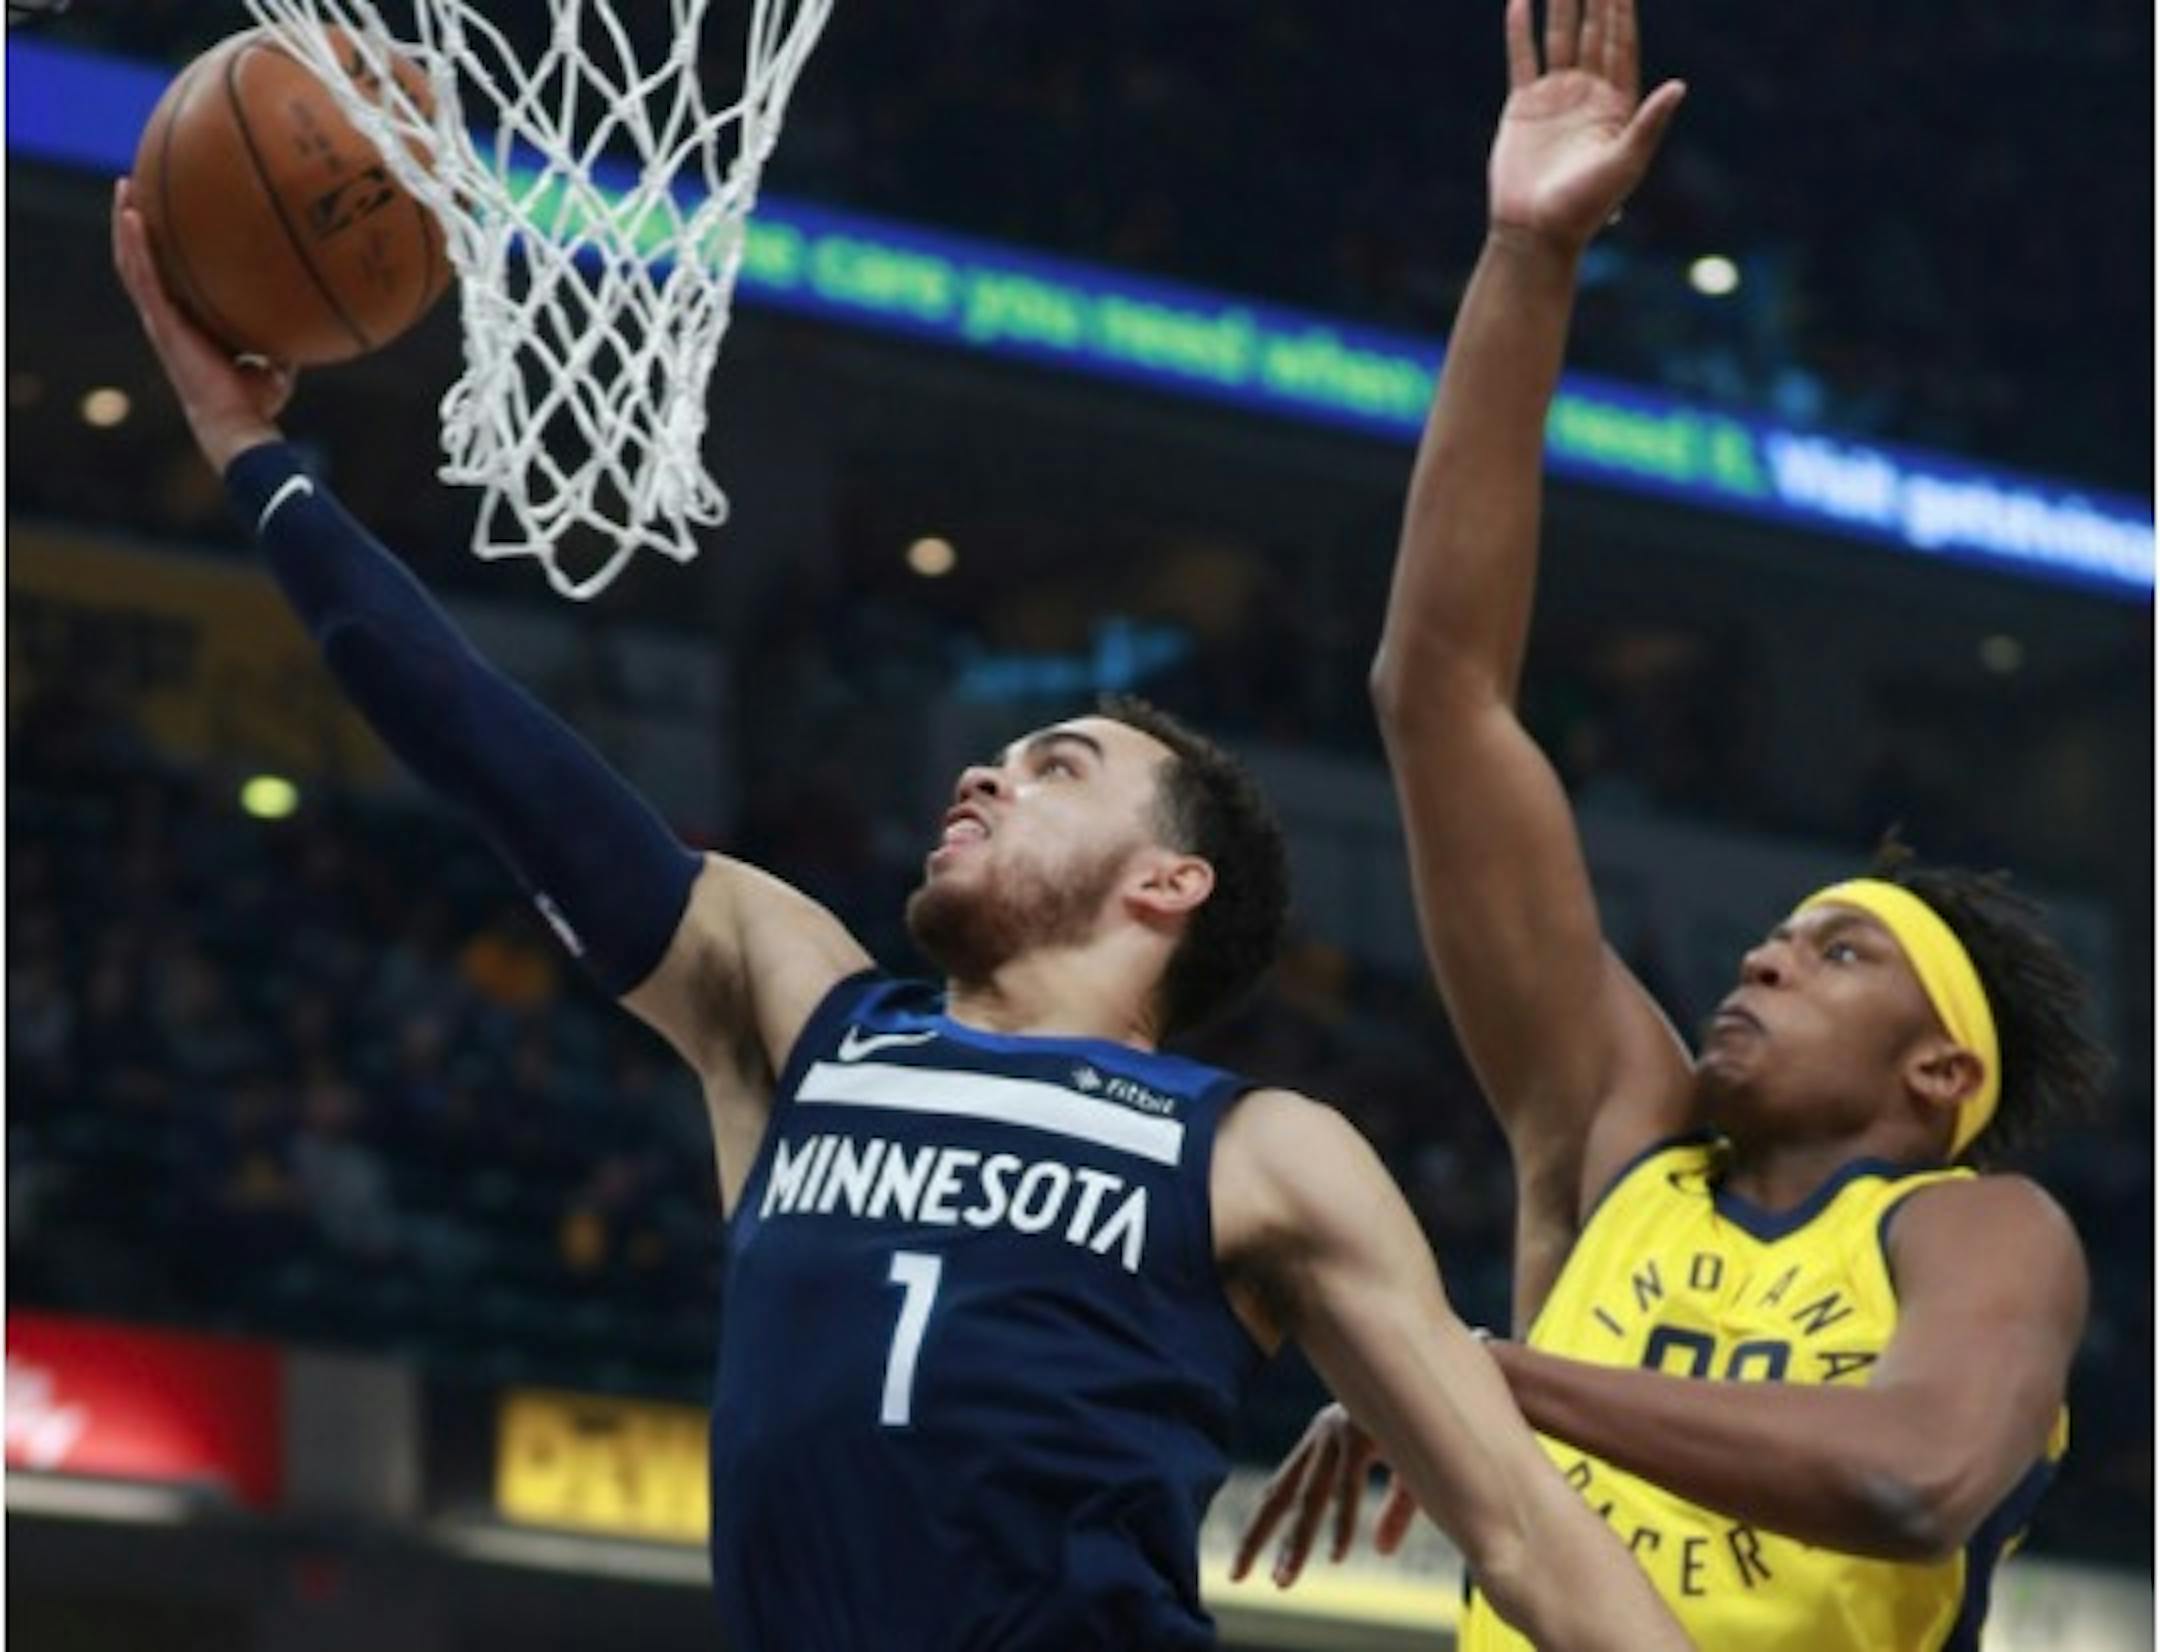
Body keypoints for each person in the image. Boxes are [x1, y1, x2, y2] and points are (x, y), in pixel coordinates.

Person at [111, 183, 1690, 1652]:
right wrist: (255, 457)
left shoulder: (1259, 1151)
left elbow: (1523, 1532)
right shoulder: (808, 1014)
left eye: (1057, 767)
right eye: (998, 757)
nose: (984, 776)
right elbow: (492, 754)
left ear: (1168, 882)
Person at [1232, 1, 2109, 1647]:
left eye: (1837, 955)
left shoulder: (1975, 1228)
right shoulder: (1618, 1142)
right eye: (1775, 940)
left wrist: (1481, 1377)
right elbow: (1442, 694)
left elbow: (1914, 1478)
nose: (1762, 962)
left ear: (1942, 1075)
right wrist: (1529, 258)